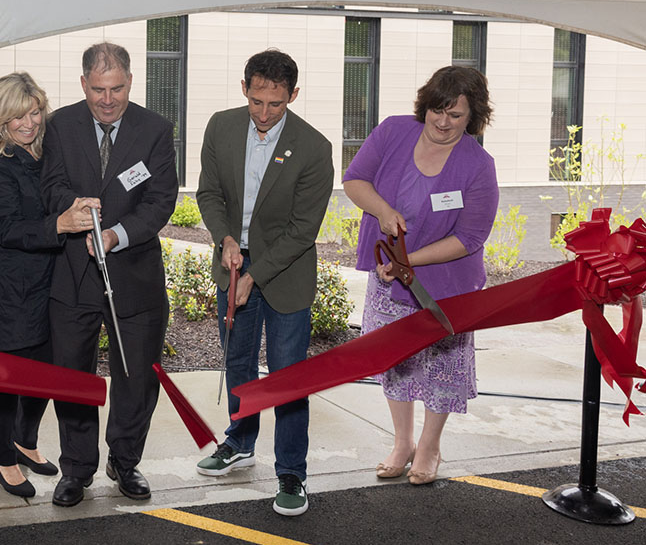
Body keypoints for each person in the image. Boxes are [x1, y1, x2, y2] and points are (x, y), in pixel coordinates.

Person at [342, 65, 498, 485]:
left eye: (456, 115)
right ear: (425, 105)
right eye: (437, 110)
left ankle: (429, 447)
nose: (443, 122)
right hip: (387, 276)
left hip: (447, 285)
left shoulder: (478, 165)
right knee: (396, 362)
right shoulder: (393, 131)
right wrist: (383, 211)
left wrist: (411, 263)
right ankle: (402, 442)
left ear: (473, 118)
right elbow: (355, 180)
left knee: (442, 367)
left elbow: (470, 237)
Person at [194, 49, 333, 517]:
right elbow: (209, 193)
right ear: (244, 88)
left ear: (293, 95)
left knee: (288, 375)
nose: (264, 113)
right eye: (256, 101)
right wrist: (225, 237)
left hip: (285, 274)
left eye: (275, 104)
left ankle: (292, 470)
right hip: (233, 261)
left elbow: (302, 230)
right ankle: (240, 440)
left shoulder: (314, 148)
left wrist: (254, 275)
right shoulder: (221, 126)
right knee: (237, 359)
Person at [41, 42, 179, 507]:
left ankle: (125, 460)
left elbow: (161, 200)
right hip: (73, 275)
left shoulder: (156, 130)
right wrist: (72, 209)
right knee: (73, 376)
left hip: (134, 274)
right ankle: (76, 469)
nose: (107, 99)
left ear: (130, 82)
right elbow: (51, 185)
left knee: (135, 375)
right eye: (98, 89)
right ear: (83, 84)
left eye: (116, 88)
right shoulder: (60, 125)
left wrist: (118, 234)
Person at [0, 72, 99, 499]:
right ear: (0, 119)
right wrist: (60, 224)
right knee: (7, 378)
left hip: (49, 281)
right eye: (17, 116)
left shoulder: (46, 156)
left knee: (43, 371)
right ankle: (2, 458)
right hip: (8, 287)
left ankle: (25, 441)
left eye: (34, 112)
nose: (29, 123)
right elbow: (7, 229)